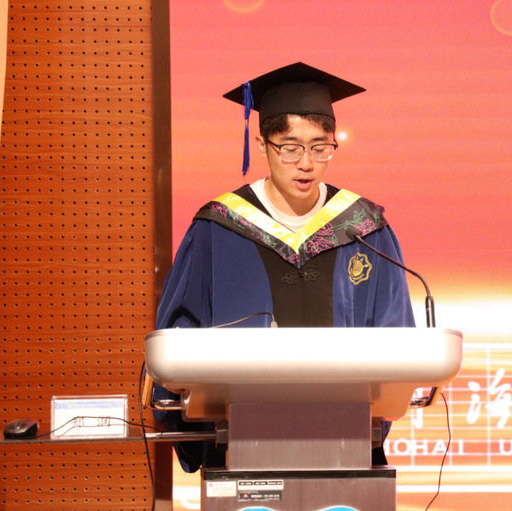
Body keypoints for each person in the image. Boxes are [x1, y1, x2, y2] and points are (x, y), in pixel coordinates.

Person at [152, 62, 416, 473]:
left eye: (320, 147)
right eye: (290, 148)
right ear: (262, 145)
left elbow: (396, 334)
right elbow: (178, 333)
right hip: (240, 441)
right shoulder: (218, 228)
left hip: (347, 442)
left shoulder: (364, 228)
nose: (306, 163)